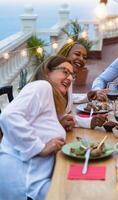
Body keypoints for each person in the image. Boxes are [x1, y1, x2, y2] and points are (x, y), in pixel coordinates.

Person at [0, 56, 72, 200]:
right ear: (48, 72)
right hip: (25, 182)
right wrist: (39, 147)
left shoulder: (50, 98)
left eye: (72, 74)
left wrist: (59, 123)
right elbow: (9, 116)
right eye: (65, 72)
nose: (70, 78)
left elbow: (40, 123)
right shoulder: (42, 86)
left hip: (36, 178)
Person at [57, 42, 107, 131]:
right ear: (65, 54)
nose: (81, 59)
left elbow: (68, 98)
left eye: (84, 58)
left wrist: (87, 96)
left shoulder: (69, 78)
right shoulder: (51, 82)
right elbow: (58, 118)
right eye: (77, 54)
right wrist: (89, 121)